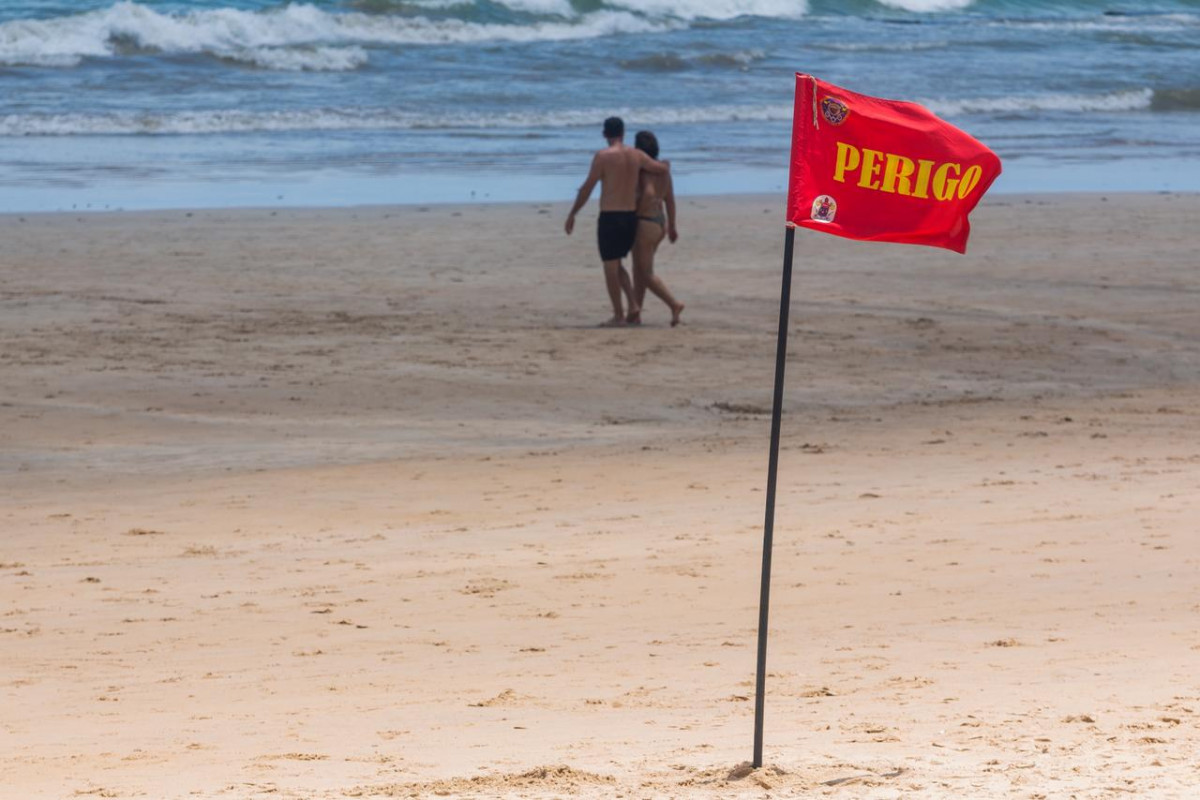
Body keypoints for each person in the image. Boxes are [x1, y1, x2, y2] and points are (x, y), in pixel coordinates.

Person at [564, 117, 670, 327]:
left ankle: (620, 315)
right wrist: (666, 165)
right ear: (623, 133)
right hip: (630, 218)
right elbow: (661, 168)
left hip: (611, 217)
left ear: (605, 134)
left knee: (610, 268)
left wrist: (573, 213)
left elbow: (587, 188)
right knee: (617, 263)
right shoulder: (637, 155)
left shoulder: (603, 157)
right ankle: (633, 305)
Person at [628, 130, 684, 327]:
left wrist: (636, 210)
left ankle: (674, 304)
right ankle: (635, 313)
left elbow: (648, 194)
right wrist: (672, 226)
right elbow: (670, 200)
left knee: (646, 273)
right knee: (639, 270)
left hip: (645, 223)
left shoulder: (643, 171)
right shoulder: (664, 171)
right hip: (660, 223)